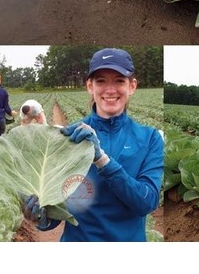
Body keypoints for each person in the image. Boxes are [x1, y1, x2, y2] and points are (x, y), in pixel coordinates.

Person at [23, 47, 164, 242]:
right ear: (90, 86)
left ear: (132, 86)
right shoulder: (68, 137)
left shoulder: (150, 138)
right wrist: (41, 216)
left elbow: (146, 202)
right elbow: (58, 212)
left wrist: (102, 160)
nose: (110, 89)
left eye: (119, 81)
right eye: (101, 81)